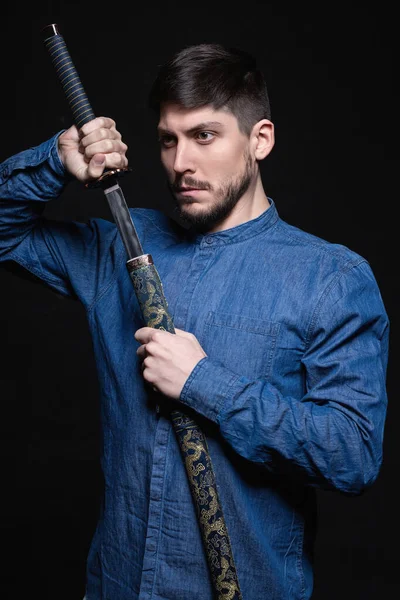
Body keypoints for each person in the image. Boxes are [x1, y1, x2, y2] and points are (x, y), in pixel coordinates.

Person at [0, 43, 389, 600]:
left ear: (260, 140)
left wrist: (204, 384)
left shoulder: (329, 278)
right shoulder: (120, 246)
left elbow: (351, 455)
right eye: (168, 139)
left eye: (204, 136)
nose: (181, 161)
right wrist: (53, 163)